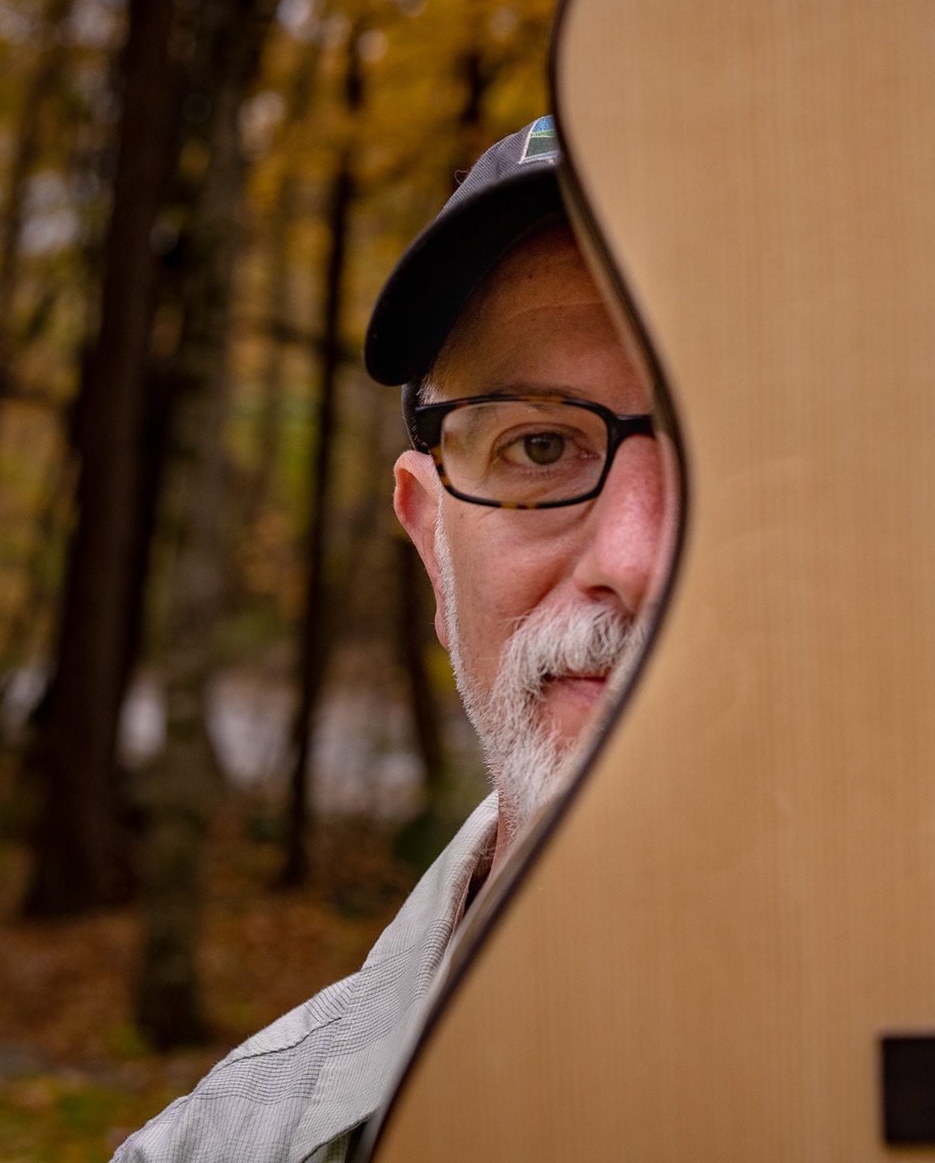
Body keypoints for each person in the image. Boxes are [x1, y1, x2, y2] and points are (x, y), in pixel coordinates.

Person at [114, 116, 669, 1163]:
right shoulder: (221, 1148)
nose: (634, 558)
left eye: (722, 438)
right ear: (432, 548)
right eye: (539, 444)